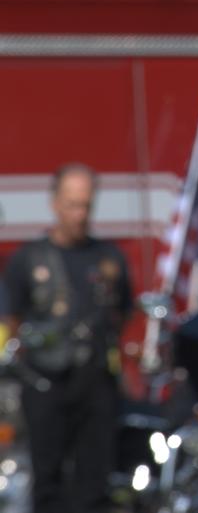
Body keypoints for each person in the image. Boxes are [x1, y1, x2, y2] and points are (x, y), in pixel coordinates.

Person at [3, 163, 132, 513]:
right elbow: (13, 319)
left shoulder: (108, 258)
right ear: (55, 203)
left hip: (95, 384)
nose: (79, 214)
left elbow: (122, 313)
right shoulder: (29, 259)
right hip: (45, 384)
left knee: (94, 482)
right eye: (72, 204)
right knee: (48, 482)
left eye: (86, 205)